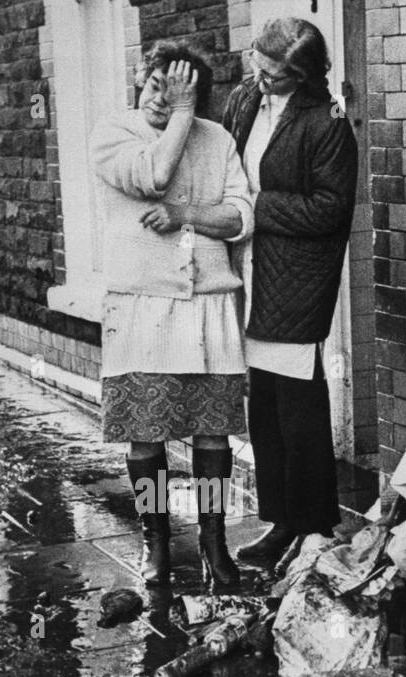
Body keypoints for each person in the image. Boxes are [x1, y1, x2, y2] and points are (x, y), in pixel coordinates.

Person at [91, 42, 253, 588]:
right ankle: (156, 538)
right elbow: (153, 176)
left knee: (212, 436)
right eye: (158, 84)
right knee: (147, 434)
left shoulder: (218, 139)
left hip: (208, 307)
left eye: (182, 91)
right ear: (142, 78)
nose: (165, 97)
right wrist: (182, 115)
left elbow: (239, 217)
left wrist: (189, 216)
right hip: (142, 309)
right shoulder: (114, 133)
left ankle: (213, 541)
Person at [221, 18, 357, 566]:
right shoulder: (244, 99)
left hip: (296, 279)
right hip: (248, 271)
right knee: (267, 409)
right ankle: (281, 522)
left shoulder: (326, 124)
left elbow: (330, 209)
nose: (261, 78)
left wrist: (256, 206)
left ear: (301, 77)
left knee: (299, 408)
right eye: (258, 63)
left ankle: (316, 524)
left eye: (274, 75)